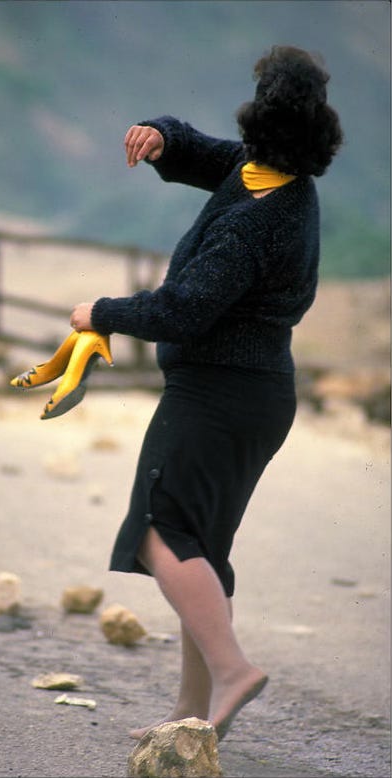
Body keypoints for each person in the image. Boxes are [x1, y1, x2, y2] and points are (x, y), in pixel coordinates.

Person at [70, 45, 343, 740]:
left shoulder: (253, 222)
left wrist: (101, 312)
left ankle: (232, 670)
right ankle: (192, 714)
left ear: (259, 115)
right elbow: (193, 148)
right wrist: (159, 134)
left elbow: (182, 310)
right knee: (202, 549)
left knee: (159, 529)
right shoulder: (267, 177)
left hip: (218, 398)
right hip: (254, 397)